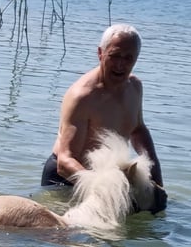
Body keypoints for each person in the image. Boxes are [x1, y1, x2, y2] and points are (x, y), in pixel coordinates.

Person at [41, 24, 164, 190]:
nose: (120, 65)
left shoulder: (134, 87)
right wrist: (103, 189)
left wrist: (156, 178)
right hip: (65, 179)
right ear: (100, 53)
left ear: (137, 58)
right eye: (114, 56)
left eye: (128, 58)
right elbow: (64, 161)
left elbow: (138, 130)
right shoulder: (82, 96)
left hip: (105, 176)